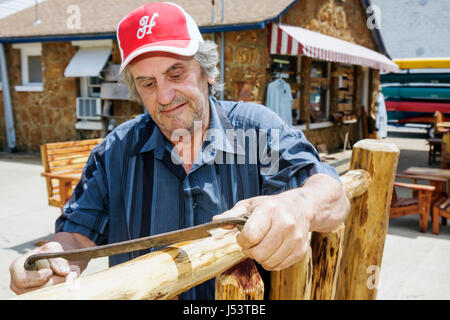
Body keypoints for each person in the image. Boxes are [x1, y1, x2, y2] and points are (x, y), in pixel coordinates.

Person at [9, 2, 350, 299]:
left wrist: (297, 206)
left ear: (207, 72)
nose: (165, 96)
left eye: (176, 72)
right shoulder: (115, 151)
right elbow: (77, 239)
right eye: (148, 83)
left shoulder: (256, 129)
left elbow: (331, 194)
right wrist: (52, 257)